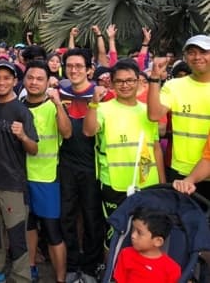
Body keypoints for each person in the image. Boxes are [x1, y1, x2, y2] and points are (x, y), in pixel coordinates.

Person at [0, 61, 38, 283]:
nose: (1, 82)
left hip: (13, 183)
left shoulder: (22, 111)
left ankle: (21, 276)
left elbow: (34, 149)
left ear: (14, 81)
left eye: (6, 78)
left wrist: (23, 136)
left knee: (16, 233)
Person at [83, 61, 165, 217]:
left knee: (145, 234)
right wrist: (93, 104)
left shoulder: (149, 110)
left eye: (130, 80)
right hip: (114, 184)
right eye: (119, 81)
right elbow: (88, 131)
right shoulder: (102, 109)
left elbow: (156, 148)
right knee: (116, 234)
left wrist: (162, 183)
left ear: (139, 81)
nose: (125, 85)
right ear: (112, 84)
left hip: (148, 183)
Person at [58, 47, 107, 280]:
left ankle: (89, 267)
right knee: (66, 216)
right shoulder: (58, 92)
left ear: (89, 69)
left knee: (91, 217)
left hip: (92, 166)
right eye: (69, 66)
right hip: (64, 164)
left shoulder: (102, 96)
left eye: (79, 66)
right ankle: (70, 265)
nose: (74, 70)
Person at [21, 61, 71, 283]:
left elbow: (67, 133)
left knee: (52, 231)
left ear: (48, 82)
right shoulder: (19, 105)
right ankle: (31, 267)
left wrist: (59, 104)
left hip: (48, 178)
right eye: (30, 78)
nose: (34, 82)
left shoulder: (53, 105)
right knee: (29, 225)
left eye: (39, 79)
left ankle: (60, 277)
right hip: (22, 177)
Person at [147, 35, 210, 198]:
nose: (197, 57)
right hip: (181, 173)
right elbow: (154, 115)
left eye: (204, 52)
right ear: (185, 57)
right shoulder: (174, 86)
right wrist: (154, 78)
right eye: (192, 52)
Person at [112, 208, 181, 283]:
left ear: (158, 241)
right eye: (133, 229)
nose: (133, 235)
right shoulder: (126, 254)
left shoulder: (172, 269)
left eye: (139, 232)